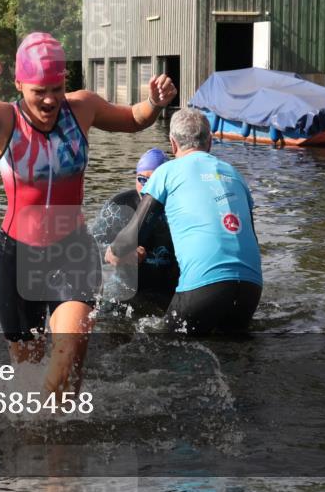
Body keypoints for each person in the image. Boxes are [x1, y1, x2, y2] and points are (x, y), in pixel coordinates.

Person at [0, 32, 177, 394]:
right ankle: (38, 440)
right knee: (28, 369)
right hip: (17, 257)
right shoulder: (3, 118)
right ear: (19, 83)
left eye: (56, 87)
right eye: (39, 90)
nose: (50, 99)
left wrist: (154, 101)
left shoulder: (81, 107)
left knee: (71, 350)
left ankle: (62, 446)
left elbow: (133, 118)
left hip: (72, 251)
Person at [106, 108, 263, 336]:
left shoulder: (168, 171)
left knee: (163, 349)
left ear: (173, 143)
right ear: (210, 142)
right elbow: (251, 236)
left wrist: (114, 251)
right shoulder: (235, 175)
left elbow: (133, 235)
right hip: (251, 287)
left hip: (204, 285)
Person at [90, 148, 179, 314]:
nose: (146, 186)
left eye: (153, 180)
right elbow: (89, 249)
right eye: (141, 179)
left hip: (169, 293)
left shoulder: (178, 208)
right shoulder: (120, 206)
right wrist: (118, 254)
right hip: (126, 290)